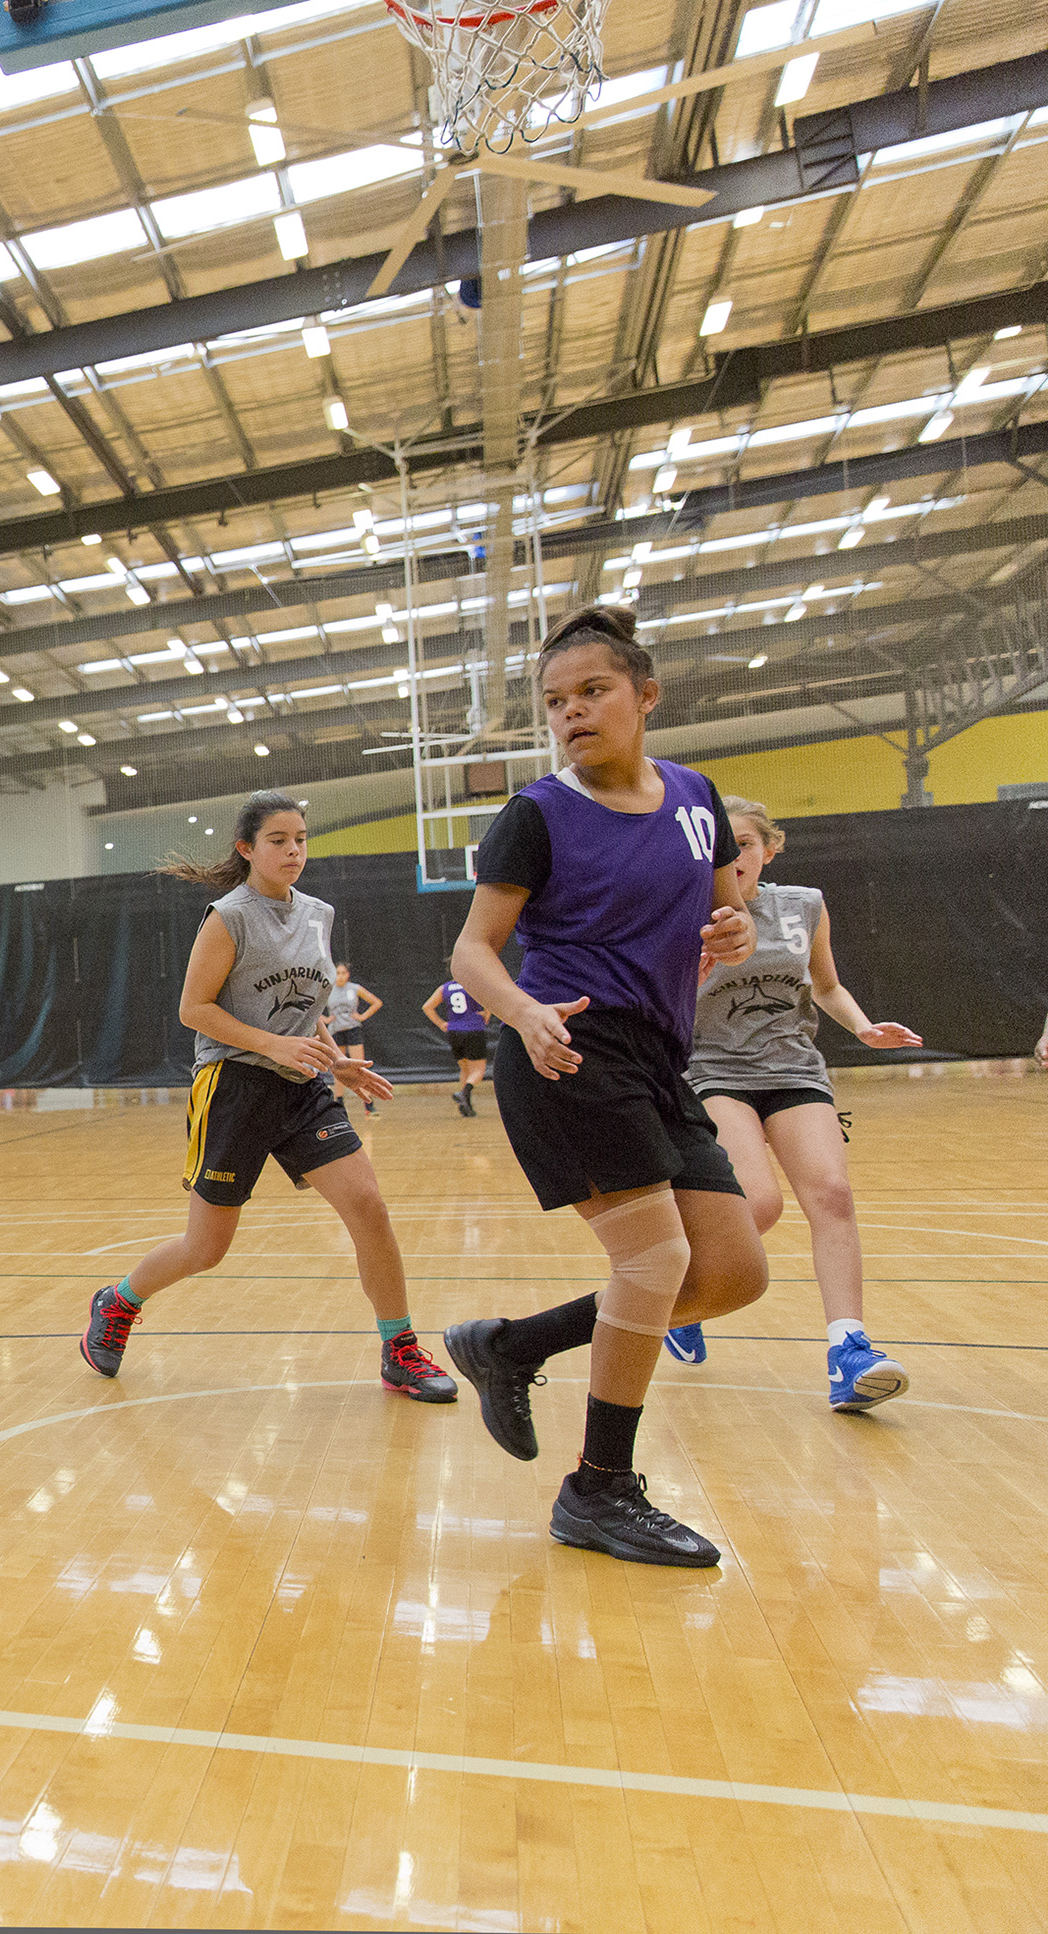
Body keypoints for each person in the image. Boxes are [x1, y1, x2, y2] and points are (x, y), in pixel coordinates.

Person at [441, 604, 770, 1569]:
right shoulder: (537, 815)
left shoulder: (698, 797)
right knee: (656, 1263)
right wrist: (521, 1011)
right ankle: (600, 1488)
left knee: (733, 1273)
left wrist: (735, 930)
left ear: (646, 696)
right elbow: (472, 950)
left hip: (660, 1058)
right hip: (568, 1048)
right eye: (555, 702)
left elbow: (725, 915)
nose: (572, 713)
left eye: (593, 692)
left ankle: (514, 1345)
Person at [79, 791, 456, 1406]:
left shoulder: (318, 914)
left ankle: (399, 1349)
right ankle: (118, 1302)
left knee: (369, 1208)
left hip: (302, 1084)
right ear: (247, 848)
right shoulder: (228, 916)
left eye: (301, 839)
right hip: (234, 1086)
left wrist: (337, 1063)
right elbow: (192, 1010)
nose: (293, 851)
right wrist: (272, 1047)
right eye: (279, 840)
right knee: (207, 1248)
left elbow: (307, 1009)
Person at [672, 796, 924, 1408]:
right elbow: (662, 1001)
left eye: (746, 845)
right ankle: (686, 1298)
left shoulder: (804, 905)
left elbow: (827, 984)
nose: (733, 860)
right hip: (715, 1069)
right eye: (720, 848)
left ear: (769, 849)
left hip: (794, 1067)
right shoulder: (681, 914)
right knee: (756, 1203)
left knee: (832, 1194)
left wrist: (862, 1027)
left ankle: (849, 1349)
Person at [419, 975, 494, 1116]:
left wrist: (441, 1023)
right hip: (473, 1029)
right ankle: (463, 1093)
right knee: (478, 1070)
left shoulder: (445, 987)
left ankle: (466, 1105)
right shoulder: (474, 983)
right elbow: (489, 1000)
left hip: (454, 1032)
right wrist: (486, 1013)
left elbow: (427, 1007)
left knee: (465, 1069)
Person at [325, 963, 383, 1115]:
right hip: (336, 1031)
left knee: (360, 1066)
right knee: (338, 1067)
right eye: (337, 973)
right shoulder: (328, 988)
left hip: (353, 1030)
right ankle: (339, 1100)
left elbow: (376, 1002)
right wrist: (324, 1019)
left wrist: (362, 1016)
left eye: (343, 973)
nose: (340, 976)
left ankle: (368, 1104)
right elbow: (311, 1006)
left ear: (348, 974)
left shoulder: (354, 988)